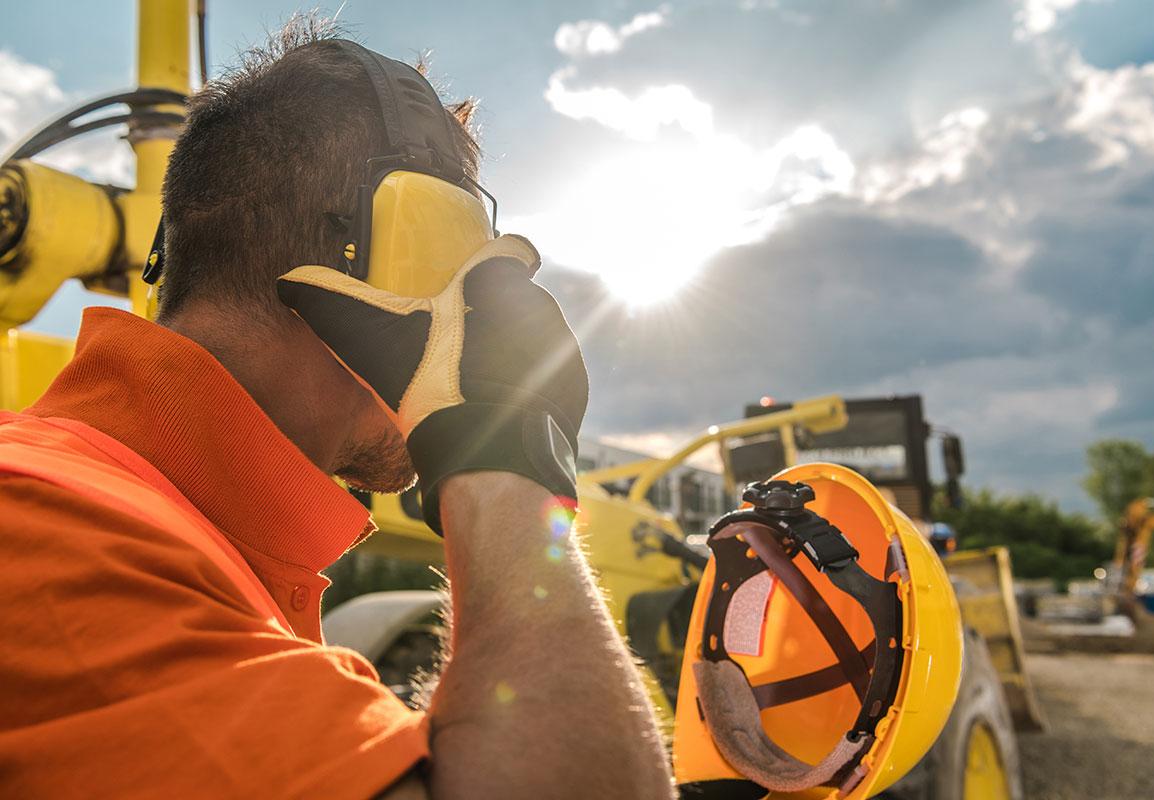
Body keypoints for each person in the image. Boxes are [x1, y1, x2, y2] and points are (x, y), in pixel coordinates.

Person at [0, 18, 674, 800]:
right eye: (464, 267)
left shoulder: (169, 536)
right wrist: (504, 456)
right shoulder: (53, 534)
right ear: (392, 264)